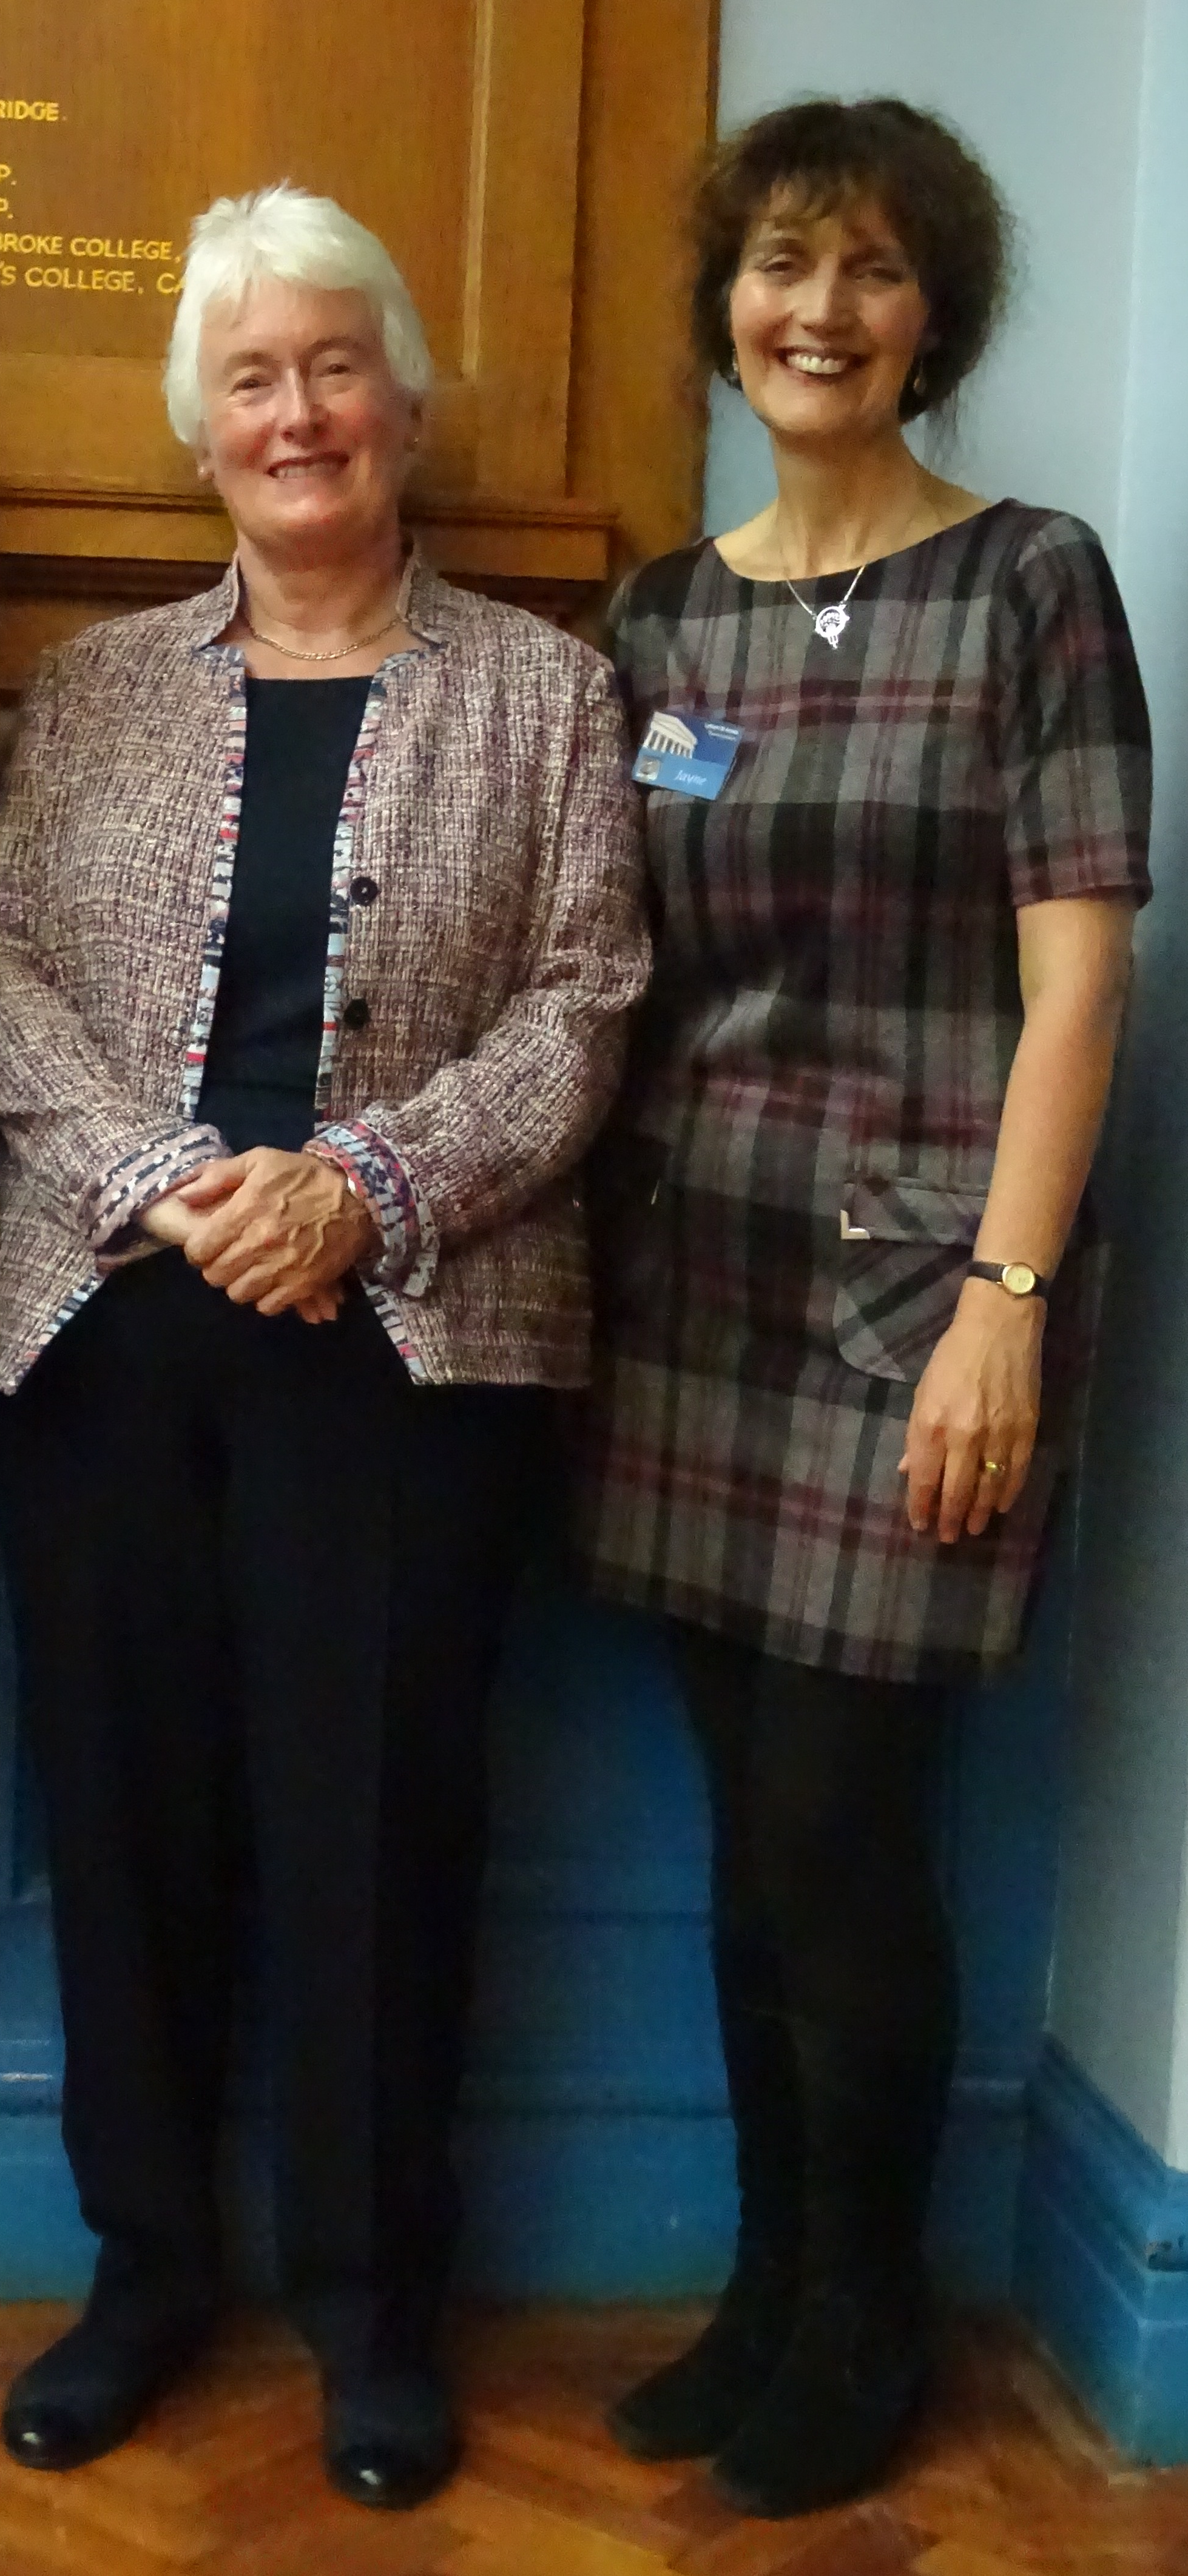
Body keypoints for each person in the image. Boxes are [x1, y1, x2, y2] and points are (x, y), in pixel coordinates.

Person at [0, 182, 647, 2511]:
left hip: (410, 1343)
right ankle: (145, 2276)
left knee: (376, 1839)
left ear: (408, 399)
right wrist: (175, 1182)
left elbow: (585, 1004)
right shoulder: (90, 694)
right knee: (132, 1826)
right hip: (119, 1330)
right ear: (195, 431)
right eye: (248, 377)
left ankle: (371, 2314)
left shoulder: (546, 692)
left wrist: (360, 1187)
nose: (296, 412)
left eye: (333, 363)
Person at [579, 98, 1151, 2518]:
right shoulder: (658, 624)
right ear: (724, 299)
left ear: (936, 318)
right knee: (744, 1835)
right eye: (780, 265)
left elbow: (1081, 983)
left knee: (840, 1829)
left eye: (872, 272)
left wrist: (1008, 1300)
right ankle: (763, 2281)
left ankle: (867, 2309)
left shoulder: (1033, 581)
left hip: (921, 1302)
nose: (816, 312)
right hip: (682, 1293)